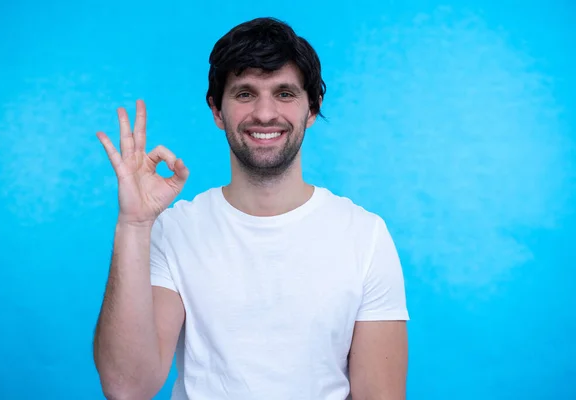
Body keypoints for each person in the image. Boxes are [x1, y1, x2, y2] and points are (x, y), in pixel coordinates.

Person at [92, 17, 409, 400]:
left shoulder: (365, 236)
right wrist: (134, 225)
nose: (264, 113)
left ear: (312, 108)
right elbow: (127, 388)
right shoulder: (174, 230)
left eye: (285, 93)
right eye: (245, 94)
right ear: (217, 111)